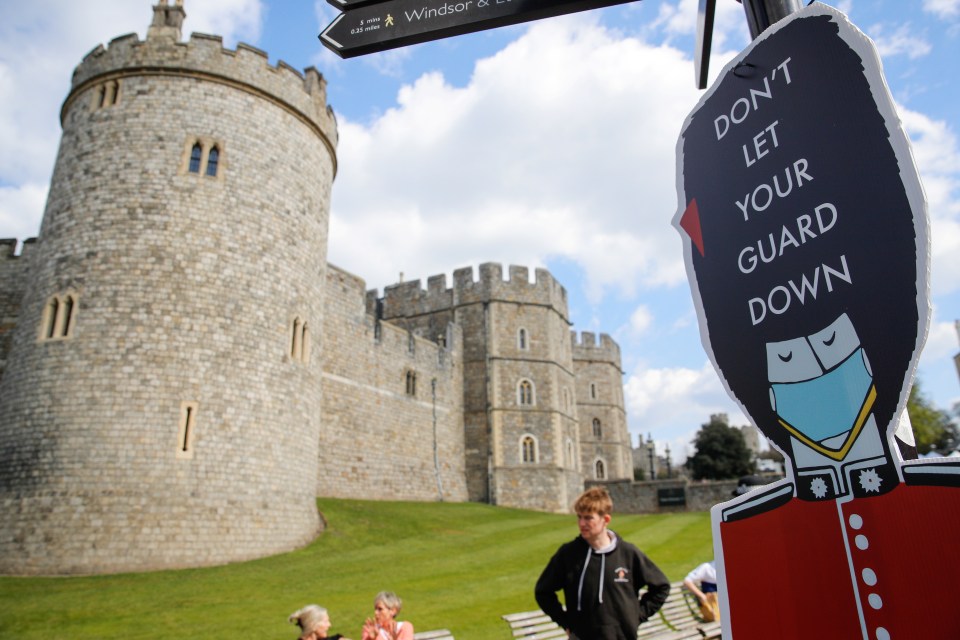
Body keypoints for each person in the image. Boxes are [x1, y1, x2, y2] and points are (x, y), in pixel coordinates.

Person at [535, 487, 670, 640]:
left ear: (605, 519)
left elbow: (661, 587)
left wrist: (635, 617)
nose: (581, 523)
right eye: (579, 517)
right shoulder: (569, 554)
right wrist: (565, 622)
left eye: (588, 518)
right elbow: (543, 592)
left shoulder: (628, 553)